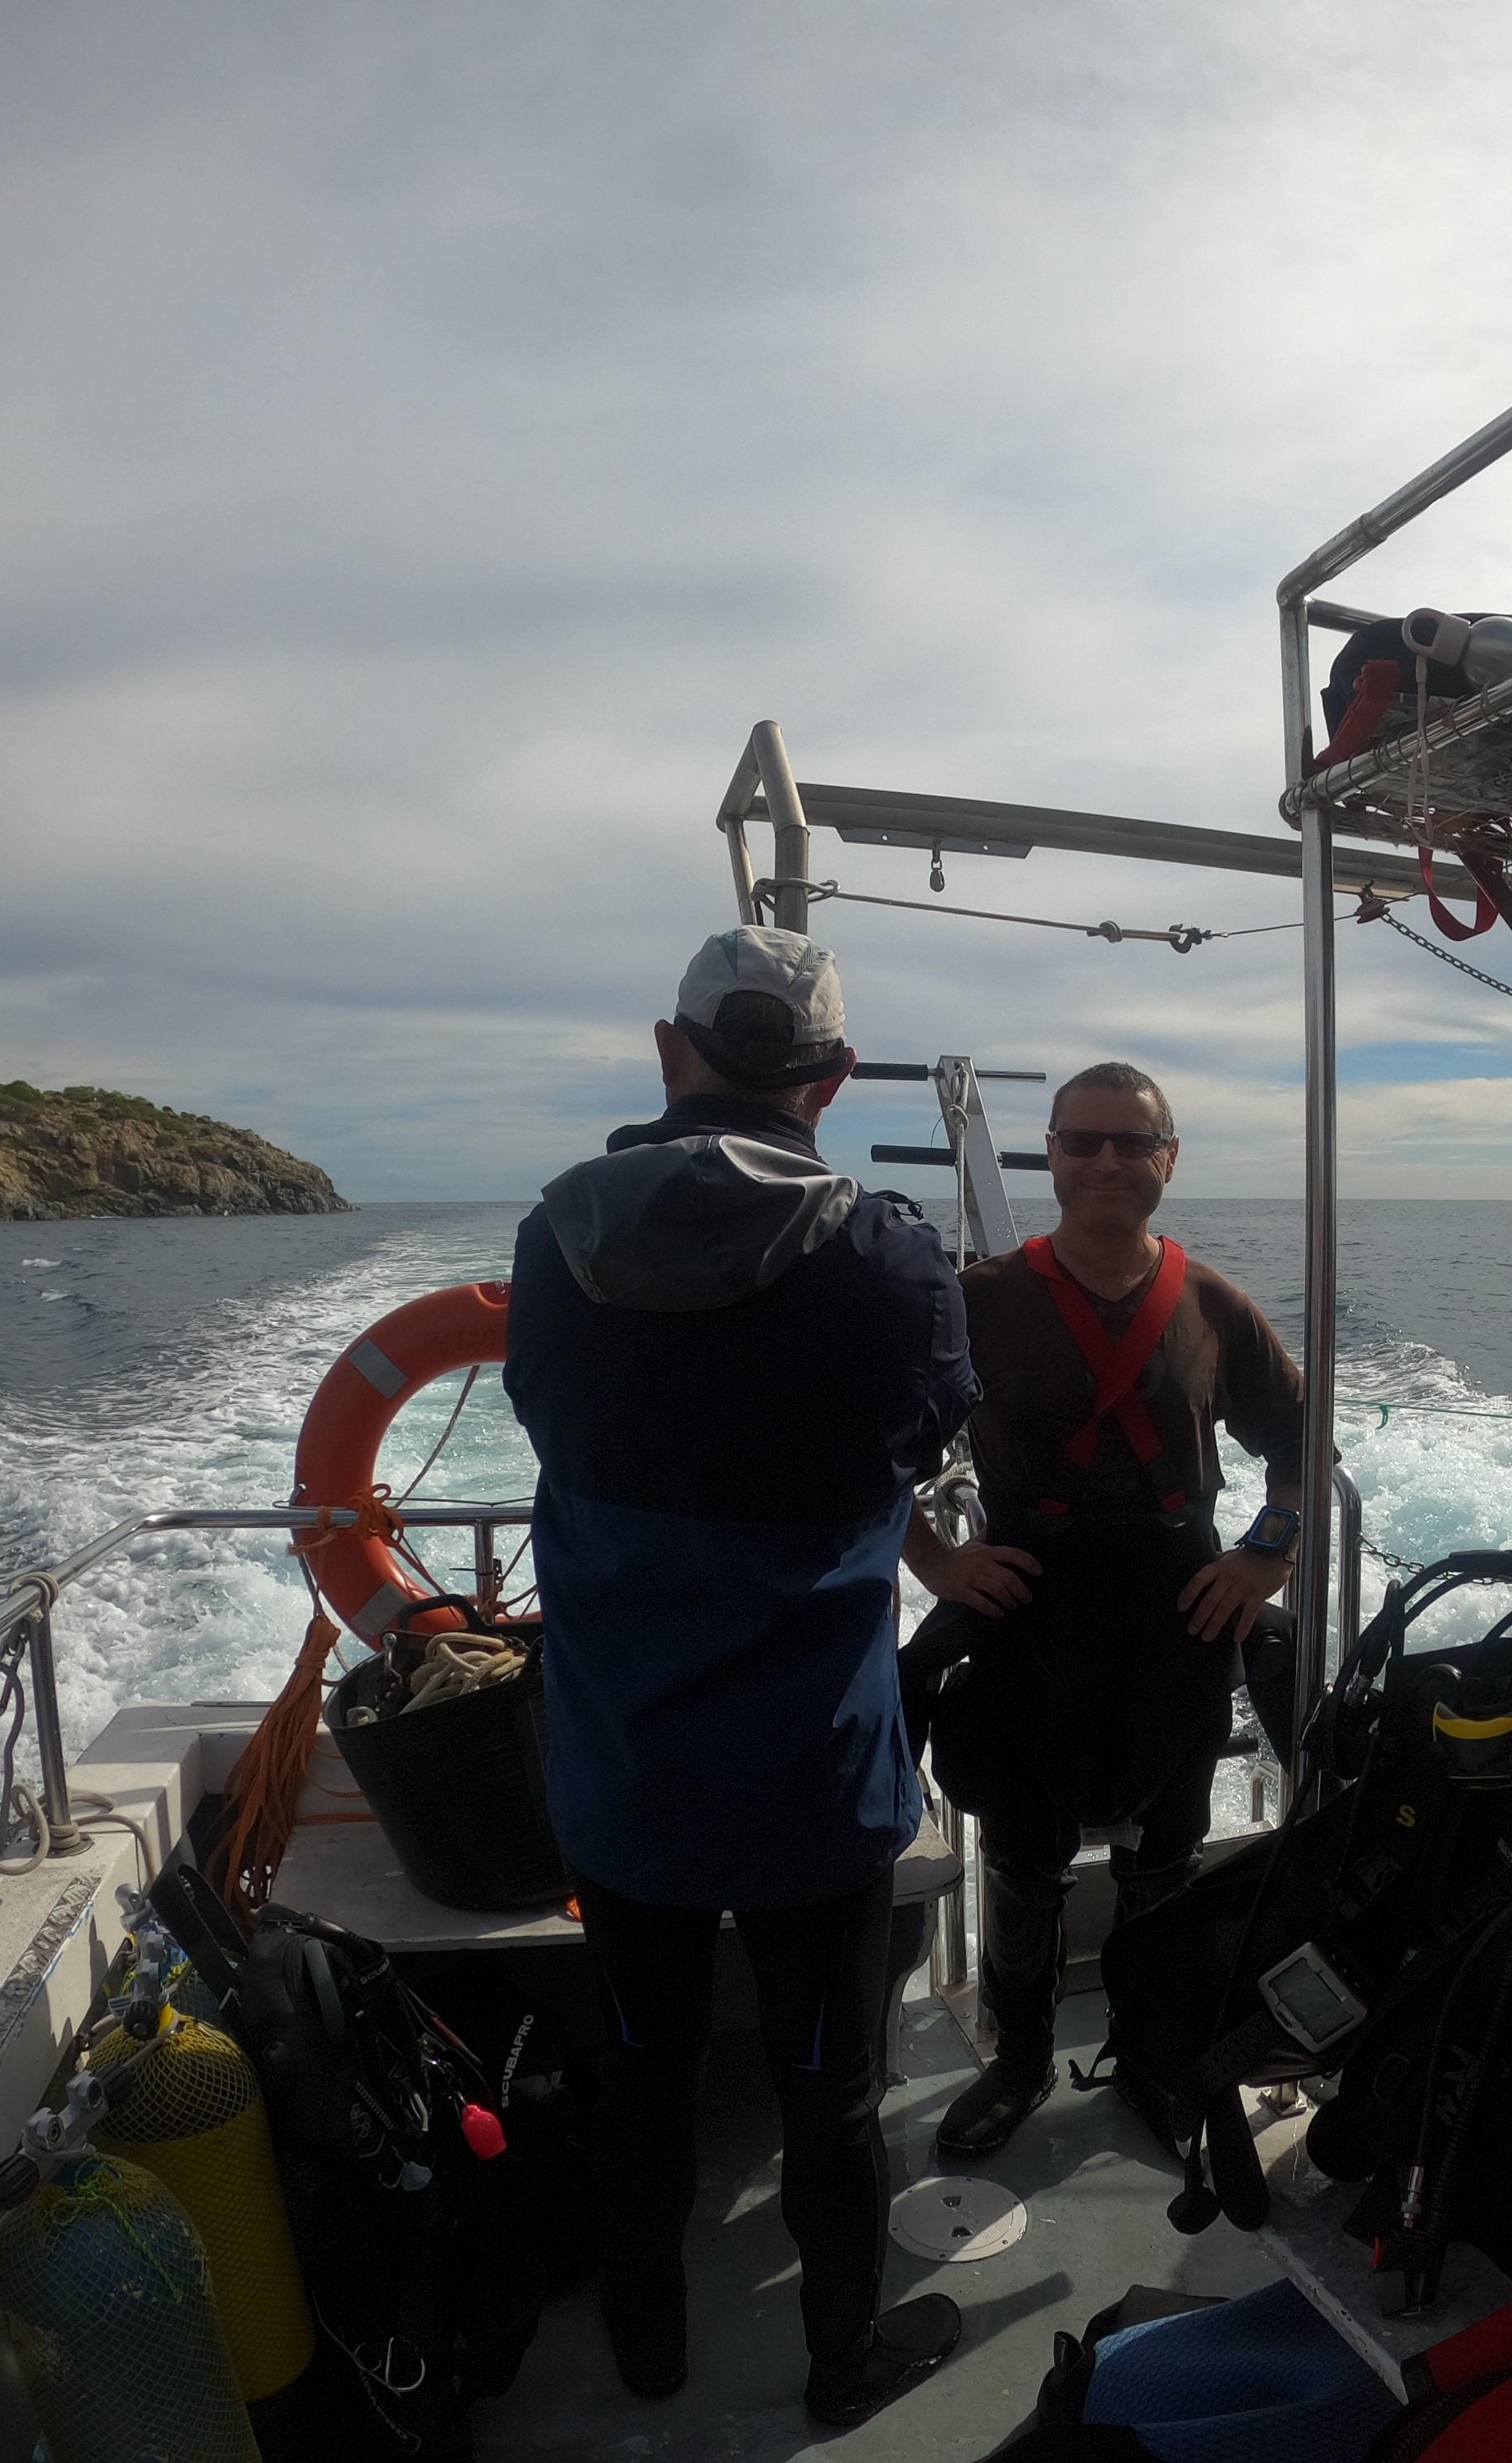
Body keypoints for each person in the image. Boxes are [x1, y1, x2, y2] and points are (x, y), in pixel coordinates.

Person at [502, 924, 978, 2427]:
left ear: (671, 1050)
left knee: (641, 2069)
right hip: (810, 1783)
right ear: (833, 1079)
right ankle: (843, 2363)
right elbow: (929, 1436)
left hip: (626, 1773)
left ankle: (650, 2347)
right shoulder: (894, 1261)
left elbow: (542, 1414)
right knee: (829, 2087)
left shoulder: (553, 1239)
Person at [900, 1061, 1306, 2161]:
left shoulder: (1215, 1305)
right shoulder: (977, 1299)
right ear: (1050, 1154)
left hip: (1178, 1619)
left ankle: (1150, 2055)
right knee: (1022, 1856)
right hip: (1030, 1616)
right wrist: (935, 1561)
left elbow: (1298, 1444)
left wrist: (1264, 1556)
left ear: (1168, 1158)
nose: (1106, 1162)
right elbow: (868, 1444)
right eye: (1082, 1141)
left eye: (1132, 1142)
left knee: (1163, 1857)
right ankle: (1020, 2058)